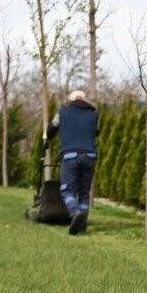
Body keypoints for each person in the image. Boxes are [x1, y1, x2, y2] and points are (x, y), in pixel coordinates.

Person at [47, 90, 99, 236]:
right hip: (90, 155)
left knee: (67, 190)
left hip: (70, 155)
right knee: (84, 192)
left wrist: (48, 138)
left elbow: (52, 128)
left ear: (71, 99)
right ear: (84, 99)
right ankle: (81, 223)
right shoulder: (94, 114)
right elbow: (96, 132)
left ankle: (75, 213)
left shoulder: (63, 112)